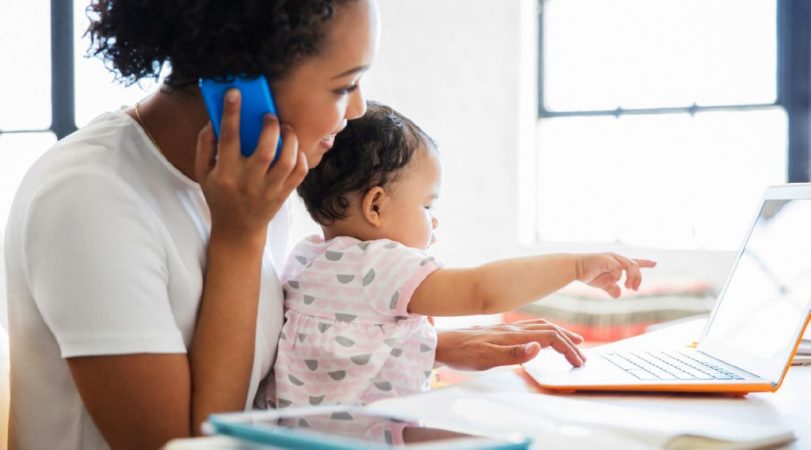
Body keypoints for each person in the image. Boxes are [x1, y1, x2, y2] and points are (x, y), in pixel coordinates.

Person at [1, 1, 625, 449]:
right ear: (240, 78)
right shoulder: (91, 200)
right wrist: (240, 237)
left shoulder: (250, 171)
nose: (355, 111)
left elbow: (260, 355)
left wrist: (423, 344)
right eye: (344, 85)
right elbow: (186, 446)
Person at [271, 102, 656, 408]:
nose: (434, 223)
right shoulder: (380, 264)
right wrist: (575, 265)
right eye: (426, 206)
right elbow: (482, 291)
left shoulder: (305, 260)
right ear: (375, 206)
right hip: (372, 436)